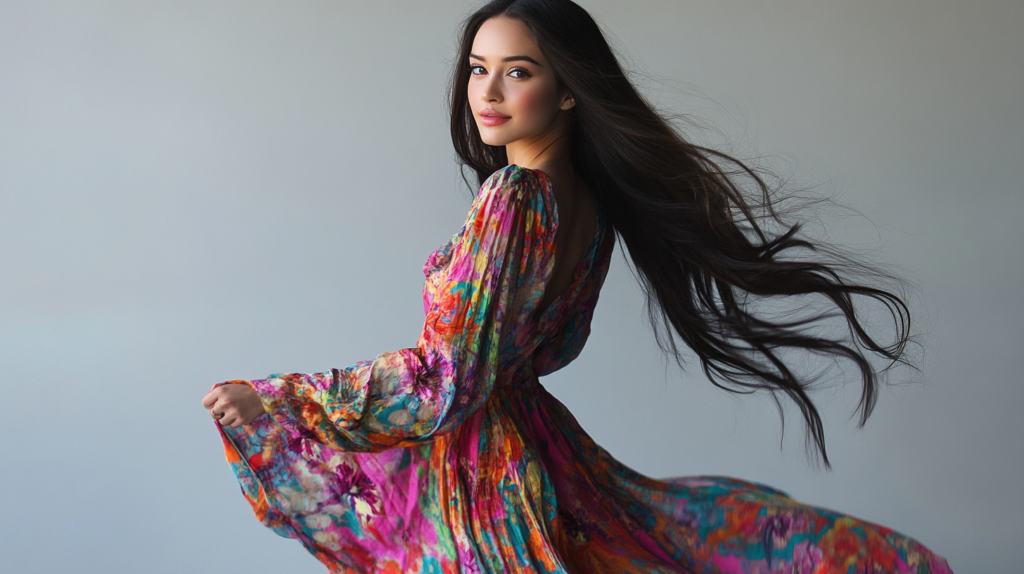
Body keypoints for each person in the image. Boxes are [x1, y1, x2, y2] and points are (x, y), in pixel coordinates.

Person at [202, 1, 952, 572]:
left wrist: (281, 397)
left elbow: (447, 375)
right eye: (477, 67)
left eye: (517, 71)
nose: (487, 91)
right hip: (540, 452)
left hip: (489, 478)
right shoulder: (585, 201)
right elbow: (533, 351)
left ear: (567, 90)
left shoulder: (516, 199)